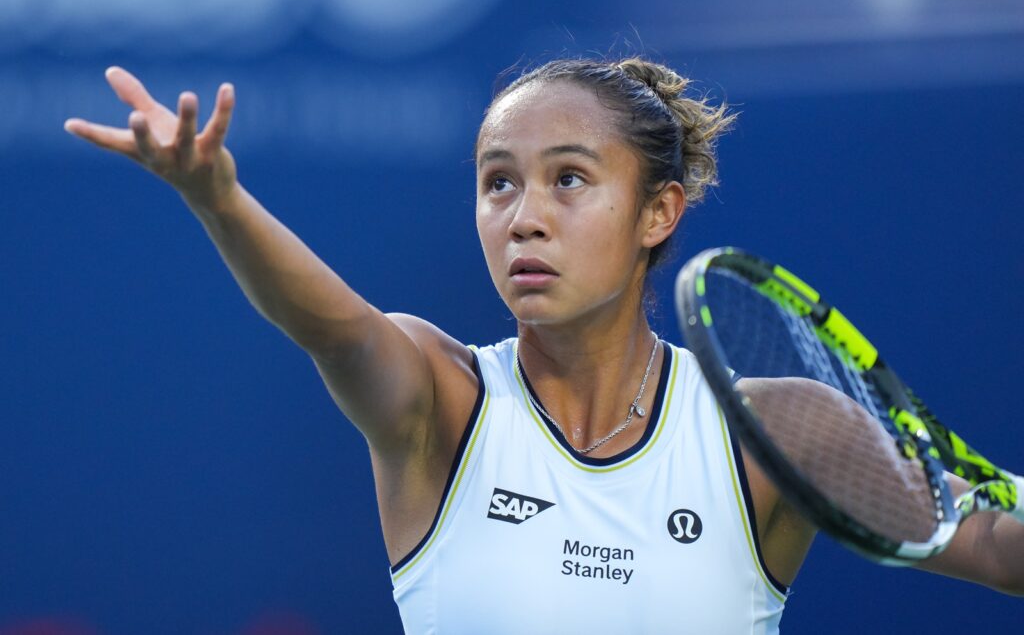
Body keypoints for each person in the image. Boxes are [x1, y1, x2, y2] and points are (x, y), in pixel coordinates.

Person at [65, 58, 1023, 633]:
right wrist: (217, 198)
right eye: (498, 184)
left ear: (659, 212)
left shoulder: (775, 430)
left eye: (570, 180)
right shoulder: (436, 404)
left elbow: (991, 547)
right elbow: (329, 323)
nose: (524, 218)